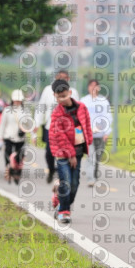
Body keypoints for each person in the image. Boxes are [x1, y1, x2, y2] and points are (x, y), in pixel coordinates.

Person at [49, 79, 92, 224]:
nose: (62, 99)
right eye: (59, 97)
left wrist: (88, 141)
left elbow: (86, 125)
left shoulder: (81, 107)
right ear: (55, 96)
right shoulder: (57, 113)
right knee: (66, 182)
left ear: (70, 93)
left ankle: (60, 200)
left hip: (78, 152)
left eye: (64, 95)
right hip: (62, 153)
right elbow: (60, 136)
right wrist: (70, 154)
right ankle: (63, 212)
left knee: (74, 184)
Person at [33, 70, 80, 183]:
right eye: (60, 77)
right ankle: (51, 169)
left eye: (64, 77)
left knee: (64, 152)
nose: (62, 79)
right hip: (50, 127)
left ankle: (61, 175)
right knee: (49, 152)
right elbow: (41, 108)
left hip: (67, 129)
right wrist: (36, 124)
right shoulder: (48, 90)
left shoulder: (73, 92)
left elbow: (78, 111)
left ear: (68, 79)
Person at [80, 79, 112, 187]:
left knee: (98, 157)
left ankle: (94, 174)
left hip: (101, 134)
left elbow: (108, 117)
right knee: (91, 156)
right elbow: (80, 117)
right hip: (88, 134)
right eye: (91, 86)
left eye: (95, 86)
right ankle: (91, 178)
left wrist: (107, 132)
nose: (93, 88)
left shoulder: (103, 101)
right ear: (88, 87)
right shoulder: (84, 101)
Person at [0, 90, 26, 184]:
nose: (17, 102)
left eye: (19, 100)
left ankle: (17, 174)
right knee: (8, 154)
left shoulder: (25, 111)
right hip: (8, 136)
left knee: (20, 157)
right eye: (16, 100)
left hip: (20, 138)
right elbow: (2, 124)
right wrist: (0, 137)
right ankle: (8, 169)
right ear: (12, 100)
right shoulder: (7, 110)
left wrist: (33, 135)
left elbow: (30, 124)